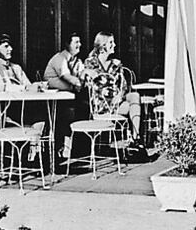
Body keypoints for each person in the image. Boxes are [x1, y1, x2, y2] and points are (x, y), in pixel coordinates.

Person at [83, 31, 142, 148]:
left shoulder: (116, 64)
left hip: (116, 102)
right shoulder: (90, 63)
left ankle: (135, 137)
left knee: (135, 96)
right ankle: (135, 139)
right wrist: (86, 72)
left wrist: (120, 95)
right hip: (101, 105)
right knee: (131, 106)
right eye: (111, 42)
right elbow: (89, 84)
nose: (114, 45)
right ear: (103, 46)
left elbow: (123, 86)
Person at [43, 32, 86, 161]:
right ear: (67, 44)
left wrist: (82, 77)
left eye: (79, 42)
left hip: (67, 99)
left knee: (83, 109)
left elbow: (82, 78)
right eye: (76, 42)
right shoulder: (59, 58)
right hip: (51, 101)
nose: (80, 45)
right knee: (67, 114)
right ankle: (58, 150)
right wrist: (78, 82)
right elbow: (68, 77)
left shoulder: (77, 61)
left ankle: (75, 149)